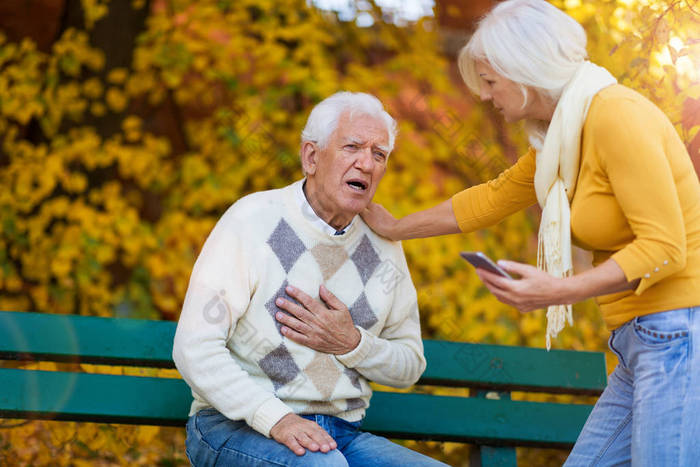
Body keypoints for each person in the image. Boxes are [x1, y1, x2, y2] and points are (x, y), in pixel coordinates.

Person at [360, 0, 700, 465]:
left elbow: (666, 248)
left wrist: (560, 290)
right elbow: (491, 198)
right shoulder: (561, 141)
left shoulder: (616, 116)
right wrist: (394, 226)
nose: (484, 95)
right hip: (640, 341)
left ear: (524, 72)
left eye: (490, 81)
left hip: (680, 332)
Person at [173, 91, 448, 466]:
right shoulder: (252, 220)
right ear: (311, 157)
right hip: (233, 425)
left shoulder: (384, 246)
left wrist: (353, 343)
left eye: (379, 154)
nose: (366, 163)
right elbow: (194, 347)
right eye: (352, 147)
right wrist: (277, 419)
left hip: (342, 433)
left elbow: (409, 364)